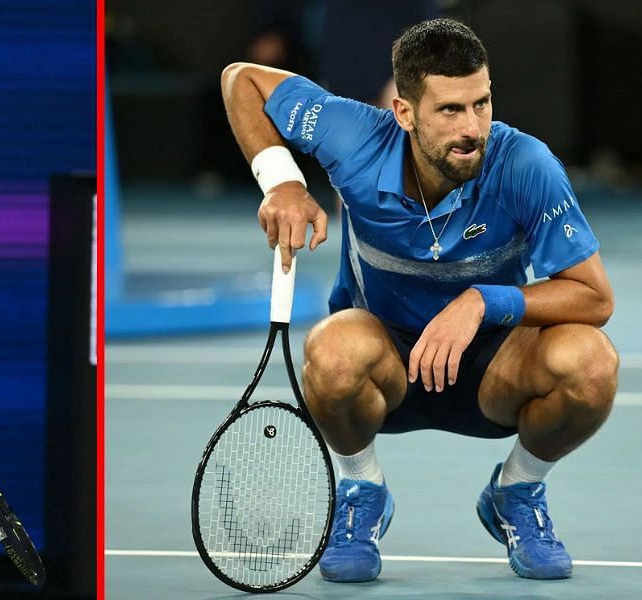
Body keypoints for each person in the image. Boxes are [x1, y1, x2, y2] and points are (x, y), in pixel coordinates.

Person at [220, 18, 617, 582]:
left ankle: (517, 491)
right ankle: (363, 489)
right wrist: (281, 180)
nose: (472, 127)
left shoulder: (525, 165)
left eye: (481, 104)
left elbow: (594, 297)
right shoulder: (353, 138)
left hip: (495, 369)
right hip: (388, 368)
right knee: (331, 349)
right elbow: (243, 80)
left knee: (592, 363)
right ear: (404, 113)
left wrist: (483, 301)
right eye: (450, 110)